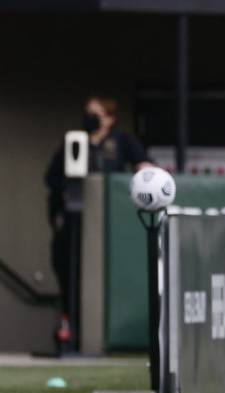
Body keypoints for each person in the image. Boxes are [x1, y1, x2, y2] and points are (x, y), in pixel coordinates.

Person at [44, 95, 152, 349]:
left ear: (110, 118)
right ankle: (70, 332)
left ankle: (104, 336)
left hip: (108, 227)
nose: (90, 118)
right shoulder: (74, 142)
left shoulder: (122, 141)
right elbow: (51, 177)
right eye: (87, 112)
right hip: (74, 223)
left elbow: (144, 165)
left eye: (97, 113)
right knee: (68, 272)